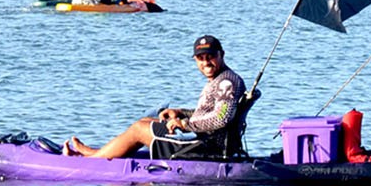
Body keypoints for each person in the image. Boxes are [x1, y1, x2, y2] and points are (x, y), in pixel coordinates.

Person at [67, 35, 245, 158]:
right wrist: (181, 113)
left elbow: (222, 118)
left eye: (211, 56)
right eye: (201, 58)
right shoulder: (221, 79)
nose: (206, 62)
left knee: (138, 129)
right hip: (204, 139)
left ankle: (94, 159)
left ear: (222, 54)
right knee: (146, 121)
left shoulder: (226, 83)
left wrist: (185, 124)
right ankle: (97, 153)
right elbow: (210, 112)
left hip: (206, 146)